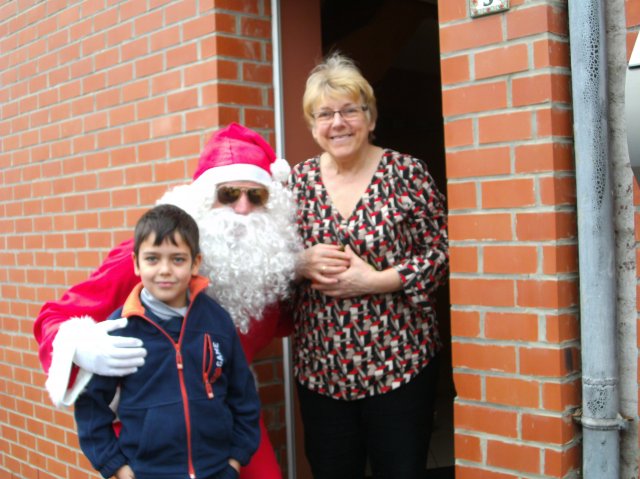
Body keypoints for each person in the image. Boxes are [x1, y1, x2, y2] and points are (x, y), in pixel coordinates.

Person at [34, 123, 300, 479]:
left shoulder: (267, 263)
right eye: (228, 194)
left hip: (226, 425)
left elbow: (280, 325)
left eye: (257, 196)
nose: (242, 208)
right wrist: (80, 346)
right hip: (151, 439)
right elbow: (54, 316)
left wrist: (299, 267)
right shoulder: (155, 257)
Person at [288, 52, 449, 479]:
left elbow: (441, 251)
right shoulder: (296, 184)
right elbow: (270, 258)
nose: (337, 123)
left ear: (370, 117)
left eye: (349, 111)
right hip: (321, 369)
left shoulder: (407, 172)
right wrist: (300, 261)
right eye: (325, 114)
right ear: (312, 126)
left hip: (401, 363)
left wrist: (377, 281)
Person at [74, 204, 260, 479]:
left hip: (216, 470)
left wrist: (235, 459)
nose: (165, 270)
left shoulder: (217, 321)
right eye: (152, 259)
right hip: (147, 472)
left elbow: (243, 394)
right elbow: (91, 405)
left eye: (177, 259)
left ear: (195, 263)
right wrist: (116, 467)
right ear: (136, 263)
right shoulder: (119, 330)